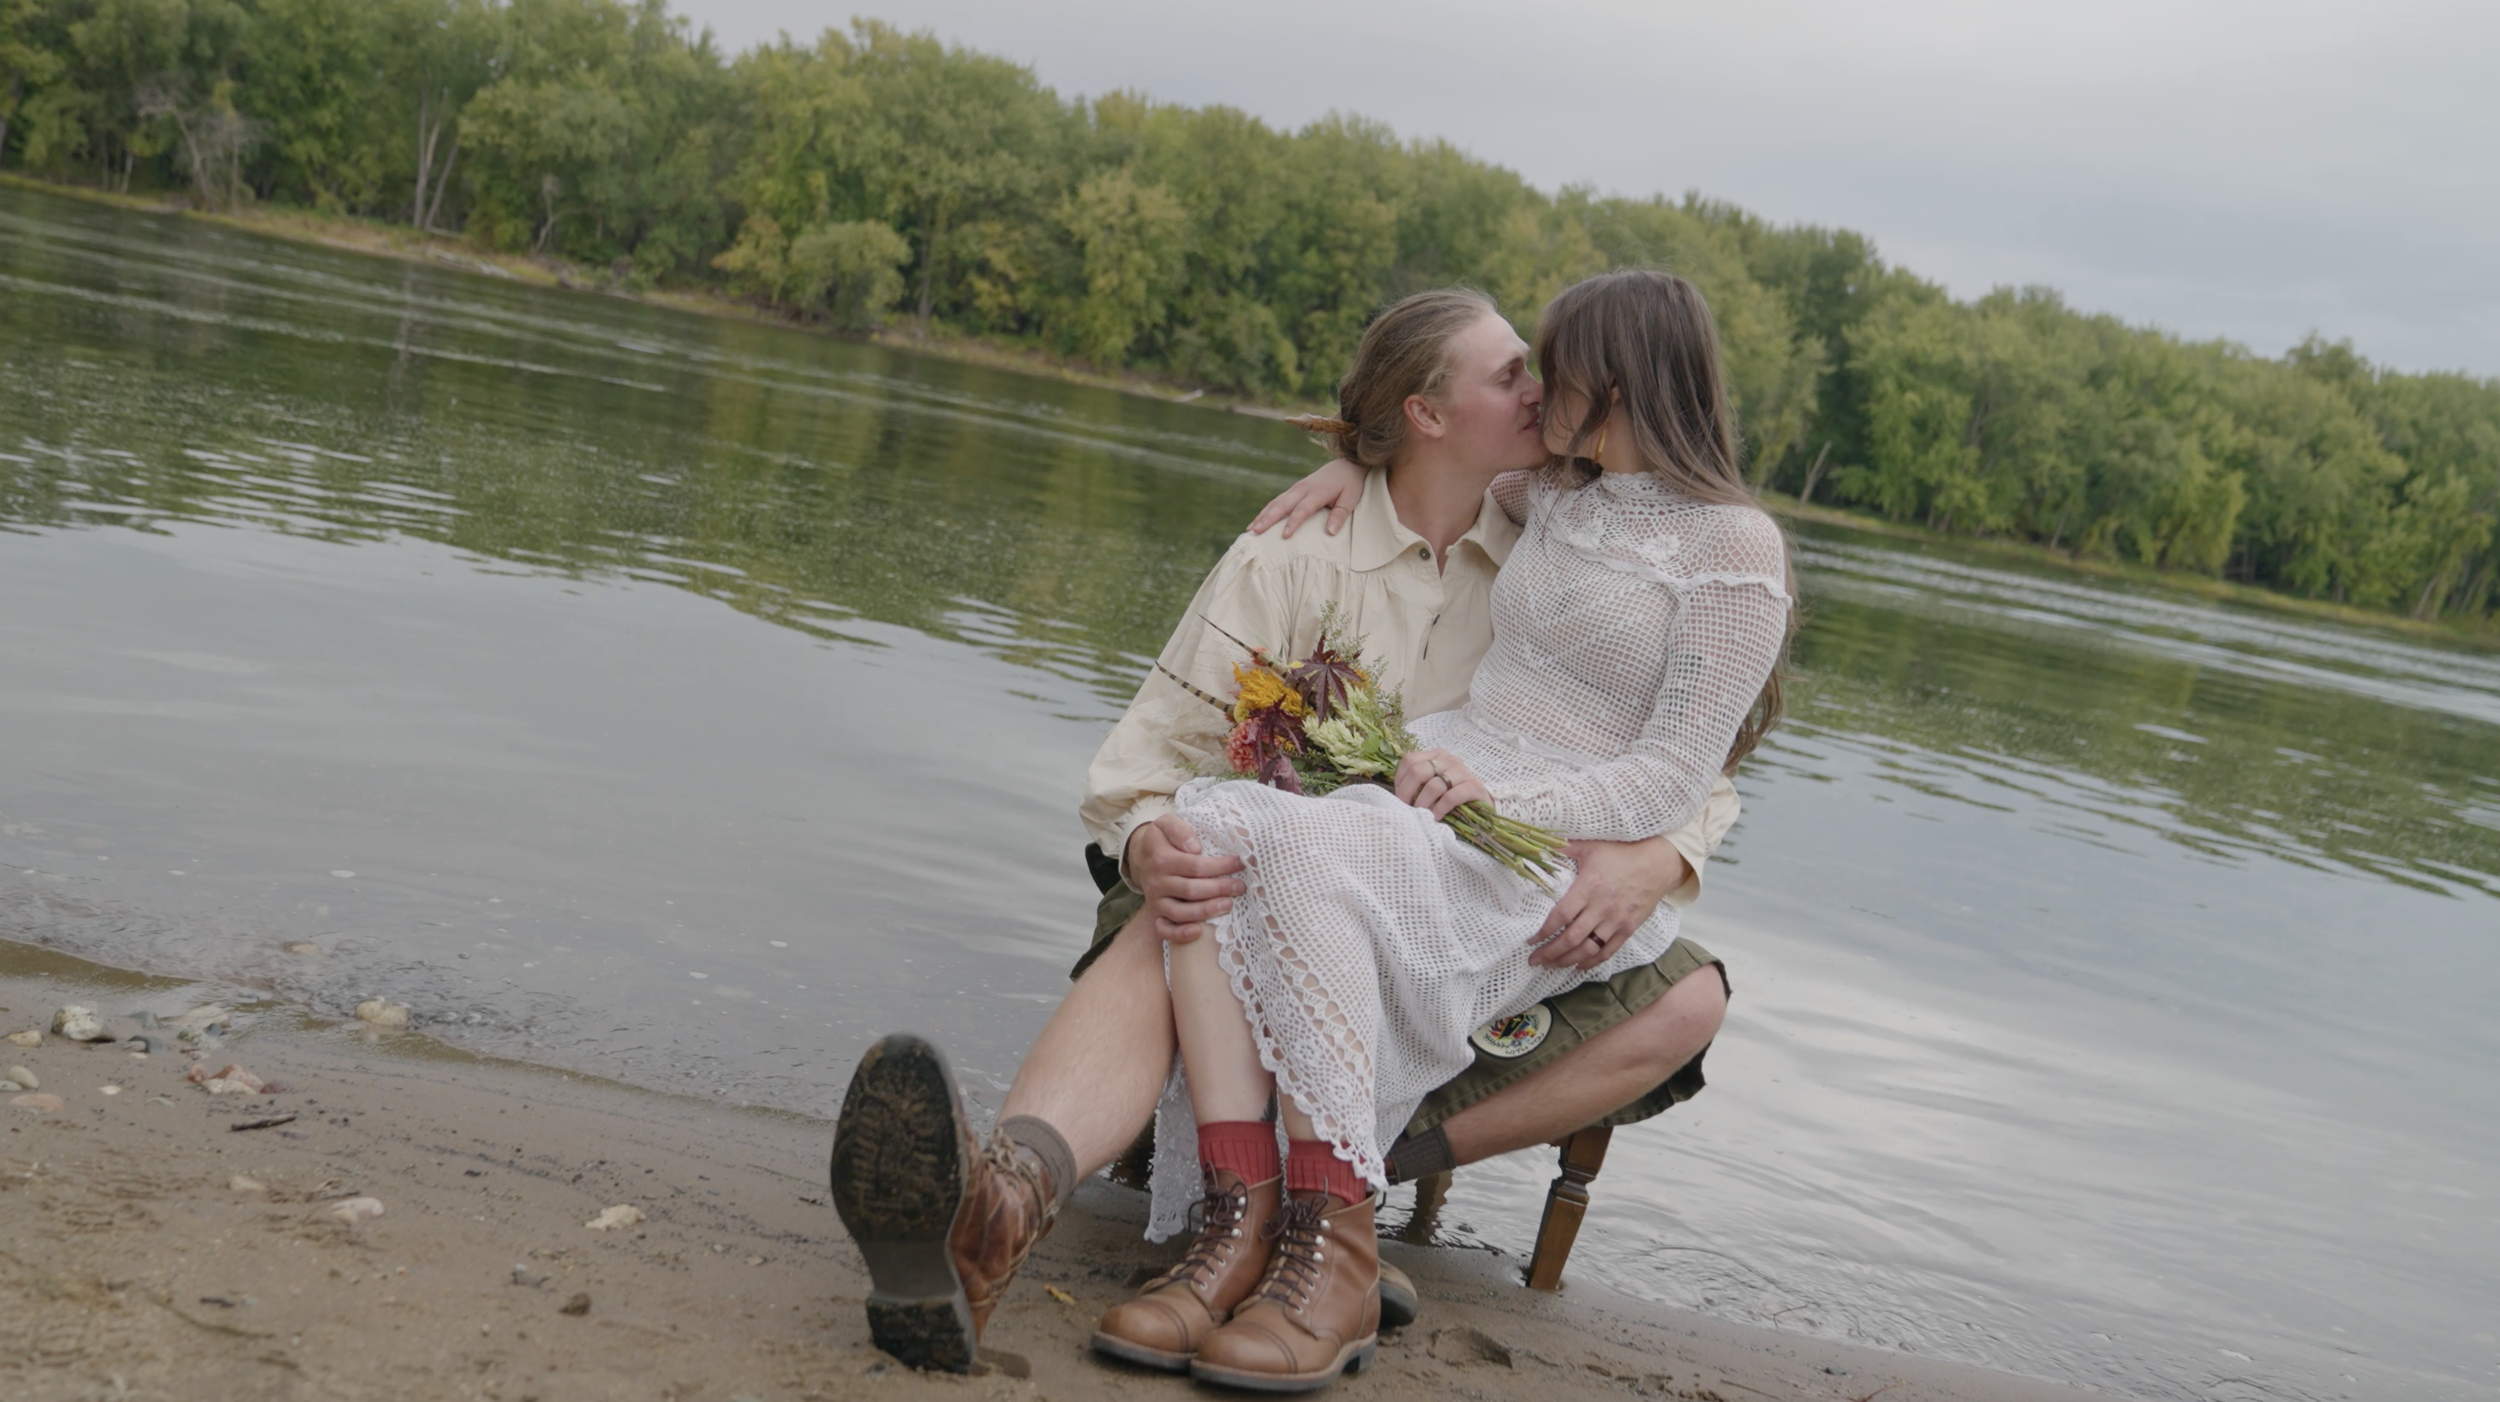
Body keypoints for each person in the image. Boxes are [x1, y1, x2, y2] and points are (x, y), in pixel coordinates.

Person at [826, 284, 1746, 1378]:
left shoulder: (1560, 538)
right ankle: (999, 1210)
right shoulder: (1291, 556)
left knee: (1691, 990)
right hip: (1239, 887)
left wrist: (1662, 853)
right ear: (1426, 415)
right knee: (1211, 870)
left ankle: (1323, 1199)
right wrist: (1144, 846)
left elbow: (1689, 742)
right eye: (1512, 375)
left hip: (1450, 900)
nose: (1544, 390)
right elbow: (1138, 772)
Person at [1116, 267, 1793, 1391]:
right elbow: (1428, 469)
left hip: (1550, 847)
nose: (1536, 389)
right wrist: (1353, 458)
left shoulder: (1735, 549)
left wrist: (1500, 803)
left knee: (1304, 853)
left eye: (1554, 367)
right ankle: (1238, 1216)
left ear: (1613, 383)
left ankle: (1325, 1242)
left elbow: (1675, 771)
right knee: (1220, 820)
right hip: (1445, 781)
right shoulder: (1553, 494)